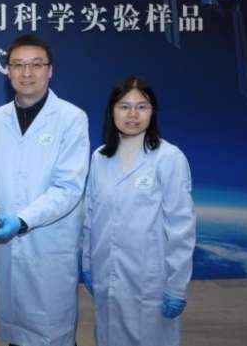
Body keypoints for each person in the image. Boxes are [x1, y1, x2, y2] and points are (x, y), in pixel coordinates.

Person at [0, 34, 90, 346]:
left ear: (50, 70)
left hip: (49, 244)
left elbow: (68, 188)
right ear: (8, 71)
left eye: (36, 64)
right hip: (8, 247)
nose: (26, 73)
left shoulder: (71, 118)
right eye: (18, 65)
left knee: (52, 333)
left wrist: (22, 220)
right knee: (15, 332)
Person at [81, 76, 196, 346]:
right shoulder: (100, 157)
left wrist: (176, 286)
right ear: (112, 111)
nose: (132, 115)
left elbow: (181, 228)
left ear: (152, 112)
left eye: (141, 107)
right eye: (124, 106)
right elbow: (91, 218)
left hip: (149, 281)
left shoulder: (169, 158)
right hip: (106, 274)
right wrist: (88, 265)